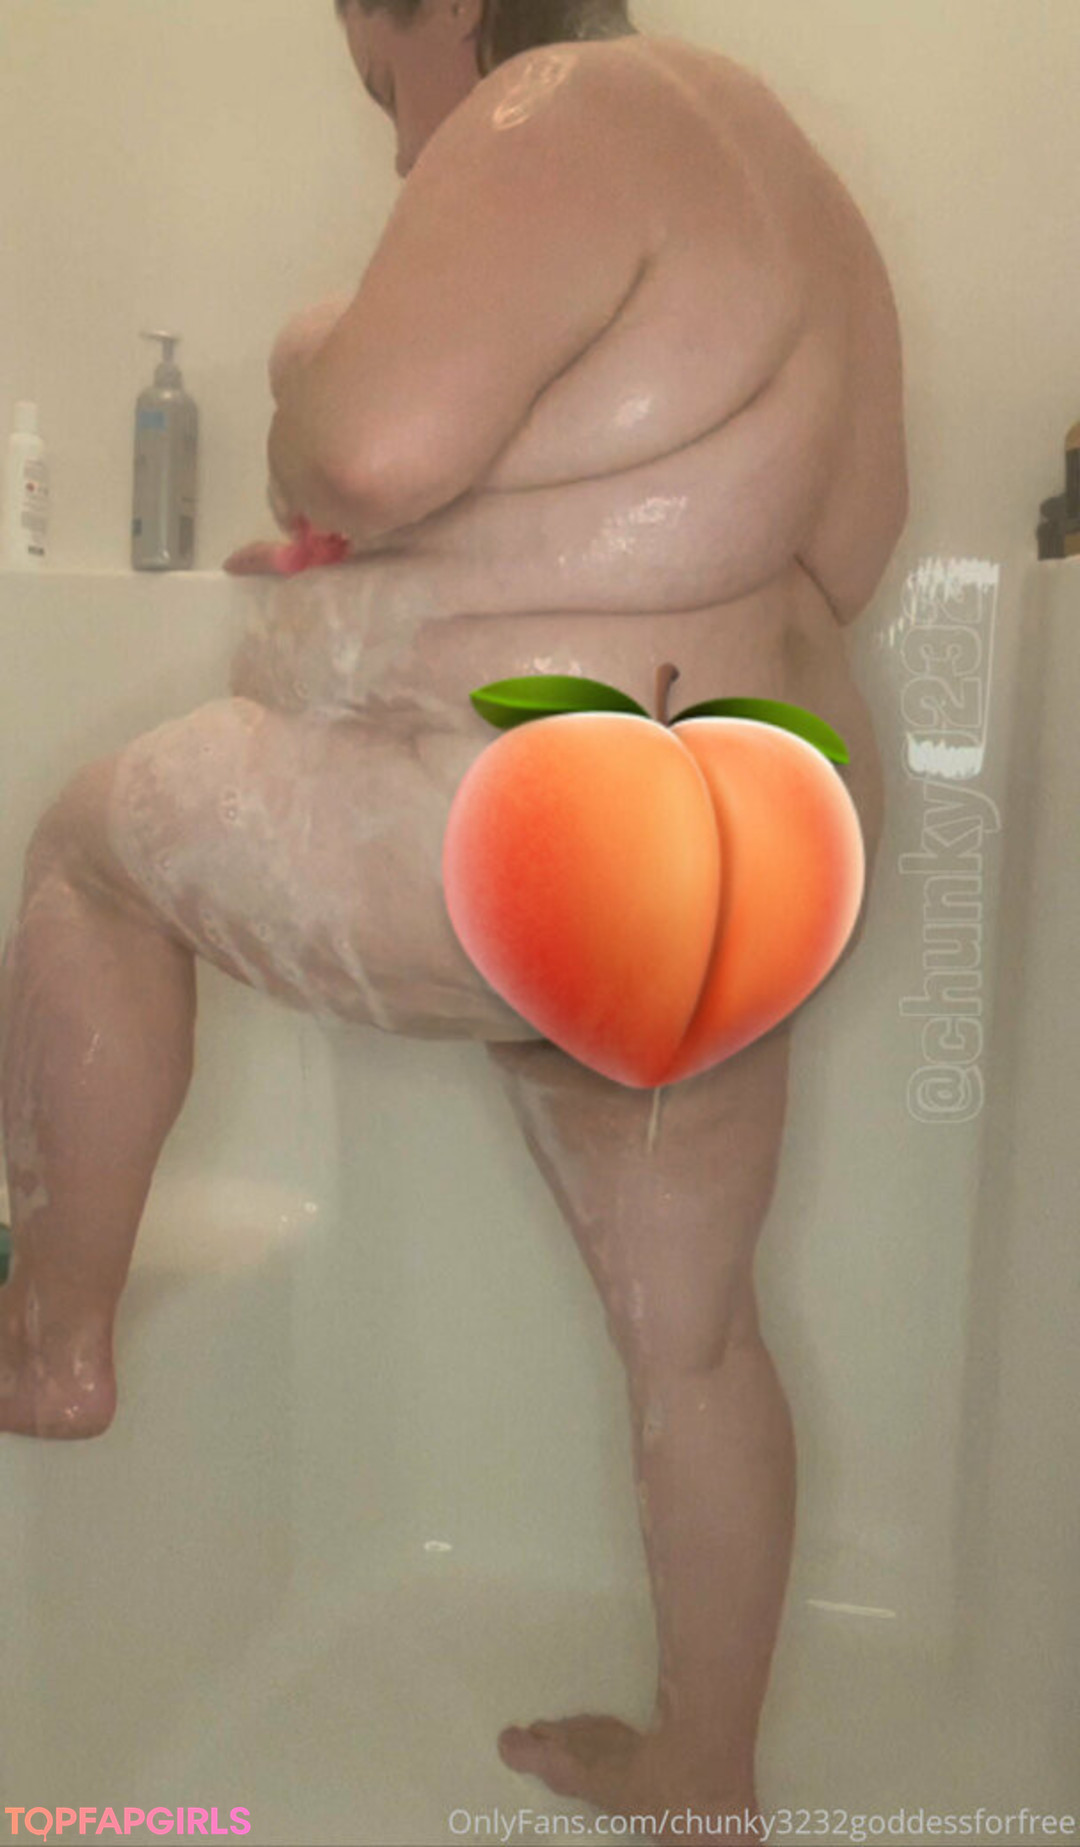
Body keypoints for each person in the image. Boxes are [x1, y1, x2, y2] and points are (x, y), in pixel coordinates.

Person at [0, 0, 908, 1835]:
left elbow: (369, 444)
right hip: (773, 847)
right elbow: (851, 543)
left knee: (94, 849)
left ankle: (49, 1340)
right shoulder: (788, 184)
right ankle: (704, 1778)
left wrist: (308, 369)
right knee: (695, 1336)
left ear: (439, 8)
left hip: (554, 826)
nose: (409, 150)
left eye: (379, 81)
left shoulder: (560, 101)